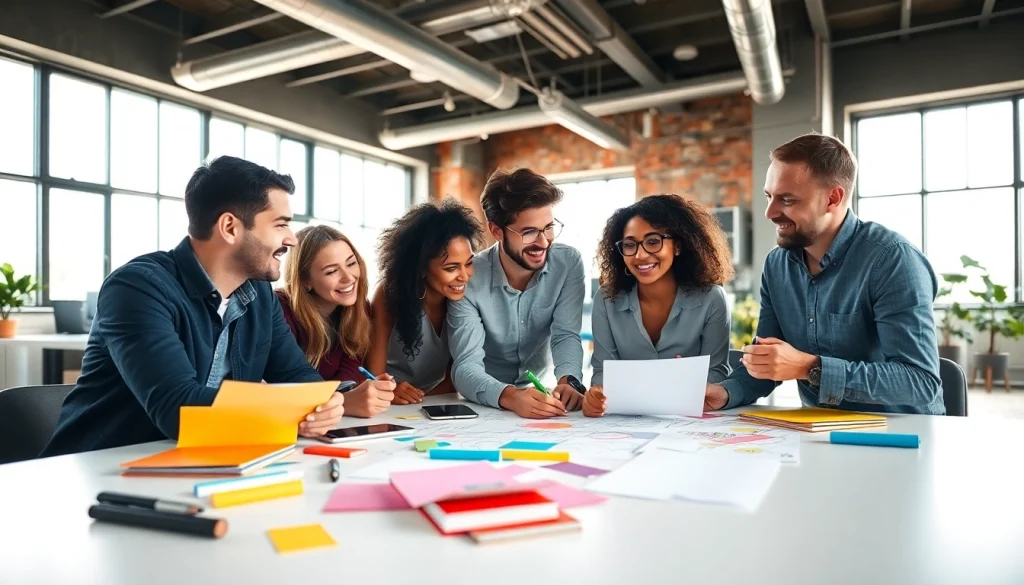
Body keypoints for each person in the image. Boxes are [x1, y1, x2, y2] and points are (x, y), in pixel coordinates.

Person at [42, 156, 353, 457]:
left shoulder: (259, 295)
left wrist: (324, 406)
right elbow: (179, 409)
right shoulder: (137, 288)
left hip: (200, 462)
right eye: (281, 225)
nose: (292, 239)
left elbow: (300, 378)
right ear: (230, 227)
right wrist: (293, 408)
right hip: (101, 472)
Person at [703, 133, 944, 415]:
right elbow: (768, 363)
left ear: (833, 198)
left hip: (900, 433)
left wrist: (809, 367)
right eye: (769, 196)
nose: (769, 212)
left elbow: (920, 382)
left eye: (787, 200)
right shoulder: (776, 266)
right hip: (819, 431)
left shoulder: (892, 260)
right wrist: (727, 392)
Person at [447, 168, 586, 419]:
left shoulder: (568, 263)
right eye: (529, 232)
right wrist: (511, 397)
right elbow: (465, 367)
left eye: (549, 228)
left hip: (534, 392)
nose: (543, 242)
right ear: (497, 231)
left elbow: (565, 334)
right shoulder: (468, 277)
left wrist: (569, 381)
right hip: (484, 400)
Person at [582, 194, 734, 417]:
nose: (640, 255)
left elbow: (717, 373)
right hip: (625, 424)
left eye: (653, 241)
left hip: (691, 422)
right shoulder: (606, 300)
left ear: (678, 246)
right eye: (630, 245)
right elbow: (603, 372)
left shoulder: (712, 298)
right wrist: (596, 397)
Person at [366, 198, 483, 405]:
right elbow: (374, 376)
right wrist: (391, 392)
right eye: (451, 268)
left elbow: (458, 374)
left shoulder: (467, 299)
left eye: (469, 263)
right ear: (420, 268)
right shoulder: (389, 293)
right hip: (390, 398)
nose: (464, 276)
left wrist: (423, 401)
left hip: (439, 400)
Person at [277, 225, 396, 418]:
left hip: (332, 421)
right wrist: (345, 402)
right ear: (306, 281)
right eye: (332, 271)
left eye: (351, 263)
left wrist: (366, 393)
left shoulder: (360, 310)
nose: (349, 277)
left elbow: (352, 374)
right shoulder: (279, 310)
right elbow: (283, 389)